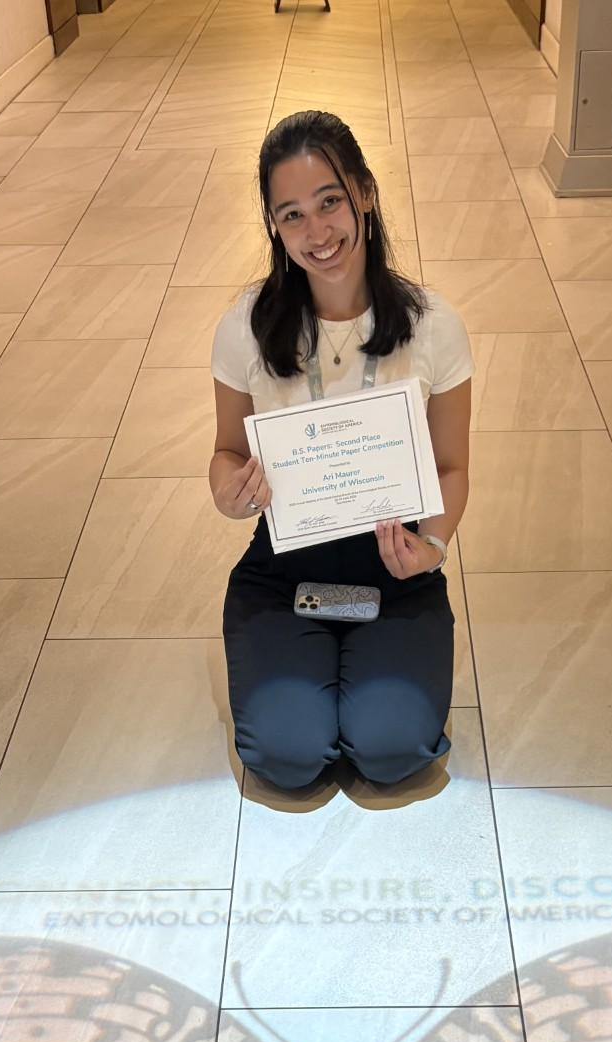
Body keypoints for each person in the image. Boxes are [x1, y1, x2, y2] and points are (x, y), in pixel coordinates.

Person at [208, 111, 472, 792]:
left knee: (392, 750)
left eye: (330, 201)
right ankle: (306, 688)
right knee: (289, 757)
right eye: (291, 214)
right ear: (273, 225)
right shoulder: (244, 326)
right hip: (285, 573)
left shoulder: (433, 326)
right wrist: (228, 490)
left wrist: (432, 549)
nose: (317, 233)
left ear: (366, 193)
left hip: (395, 569)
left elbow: (451, 468)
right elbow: (225, 452)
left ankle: (373, 684)